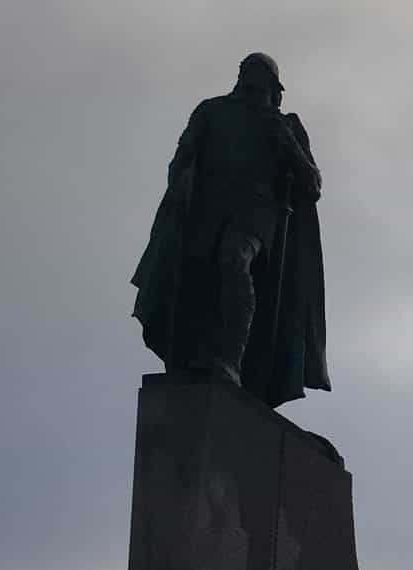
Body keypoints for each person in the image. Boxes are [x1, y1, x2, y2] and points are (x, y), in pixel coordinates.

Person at [132, 53, 329, 406]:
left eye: (259, 74)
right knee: (200, 286)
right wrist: (178, 197)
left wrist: (287, 146)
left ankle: (229, 362)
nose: (251, 80)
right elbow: (182, 159)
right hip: (207, 211)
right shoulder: (212, 111)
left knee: (233, 261)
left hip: (256, 216)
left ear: (273, 87)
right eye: (246, 72)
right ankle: (200, 358)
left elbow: (312, 185)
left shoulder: (285, 124)